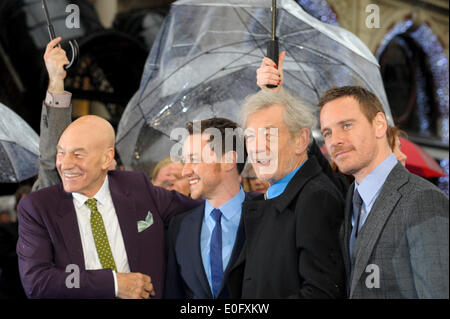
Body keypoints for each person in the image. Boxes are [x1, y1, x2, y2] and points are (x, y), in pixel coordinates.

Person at [16, 37, 201, 299]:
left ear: (107, 159)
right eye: (63, 154)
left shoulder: (138, 188)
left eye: (79, 155)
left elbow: (209, 208)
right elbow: (38, 283)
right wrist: (113, 283)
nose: (66, 164)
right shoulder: (41, 205)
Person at [318, 86, 449, 298]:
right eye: (327, 132)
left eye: (347, 125)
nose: (335, 140)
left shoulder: (423, 200)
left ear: (379, 125)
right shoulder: (351, 199)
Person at [226, 88, 346, 298]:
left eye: (268, 134)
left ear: (300, 140)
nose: (257, 147)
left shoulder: (316, 198)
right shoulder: (273, 198)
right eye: (251, 137)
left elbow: (321, 292)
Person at [165, 117, 250, 299]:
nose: (185, 171)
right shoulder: (179, 227)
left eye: (194, 160)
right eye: (185, 161)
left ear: (229, 161)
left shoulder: (270, 217)